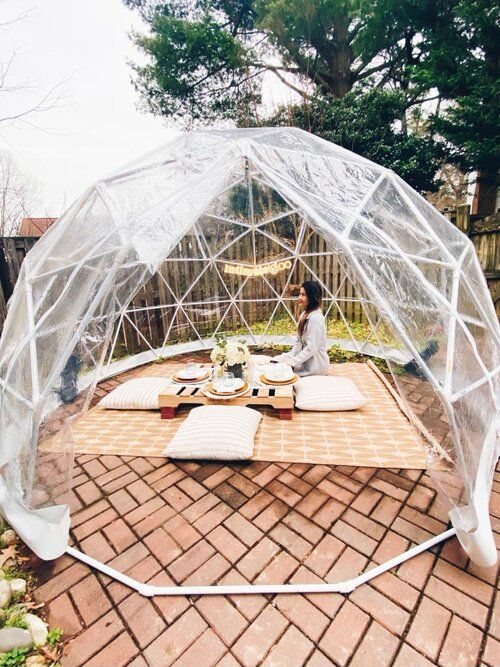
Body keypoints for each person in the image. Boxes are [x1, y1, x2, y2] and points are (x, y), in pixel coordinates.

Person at [273, 280, 329, 376]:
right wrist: (291, 359)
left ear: (312, 297)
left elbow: (311, 348)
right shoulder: (304, 314)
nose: (299, 297)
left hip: (315, 367)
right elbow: (298, 341)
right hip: (303, 362)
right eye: (300, 294)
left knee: (281, 374)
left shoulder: (316, 318)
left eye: (303, 295)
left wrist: (292, 362)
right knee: (275, 362)